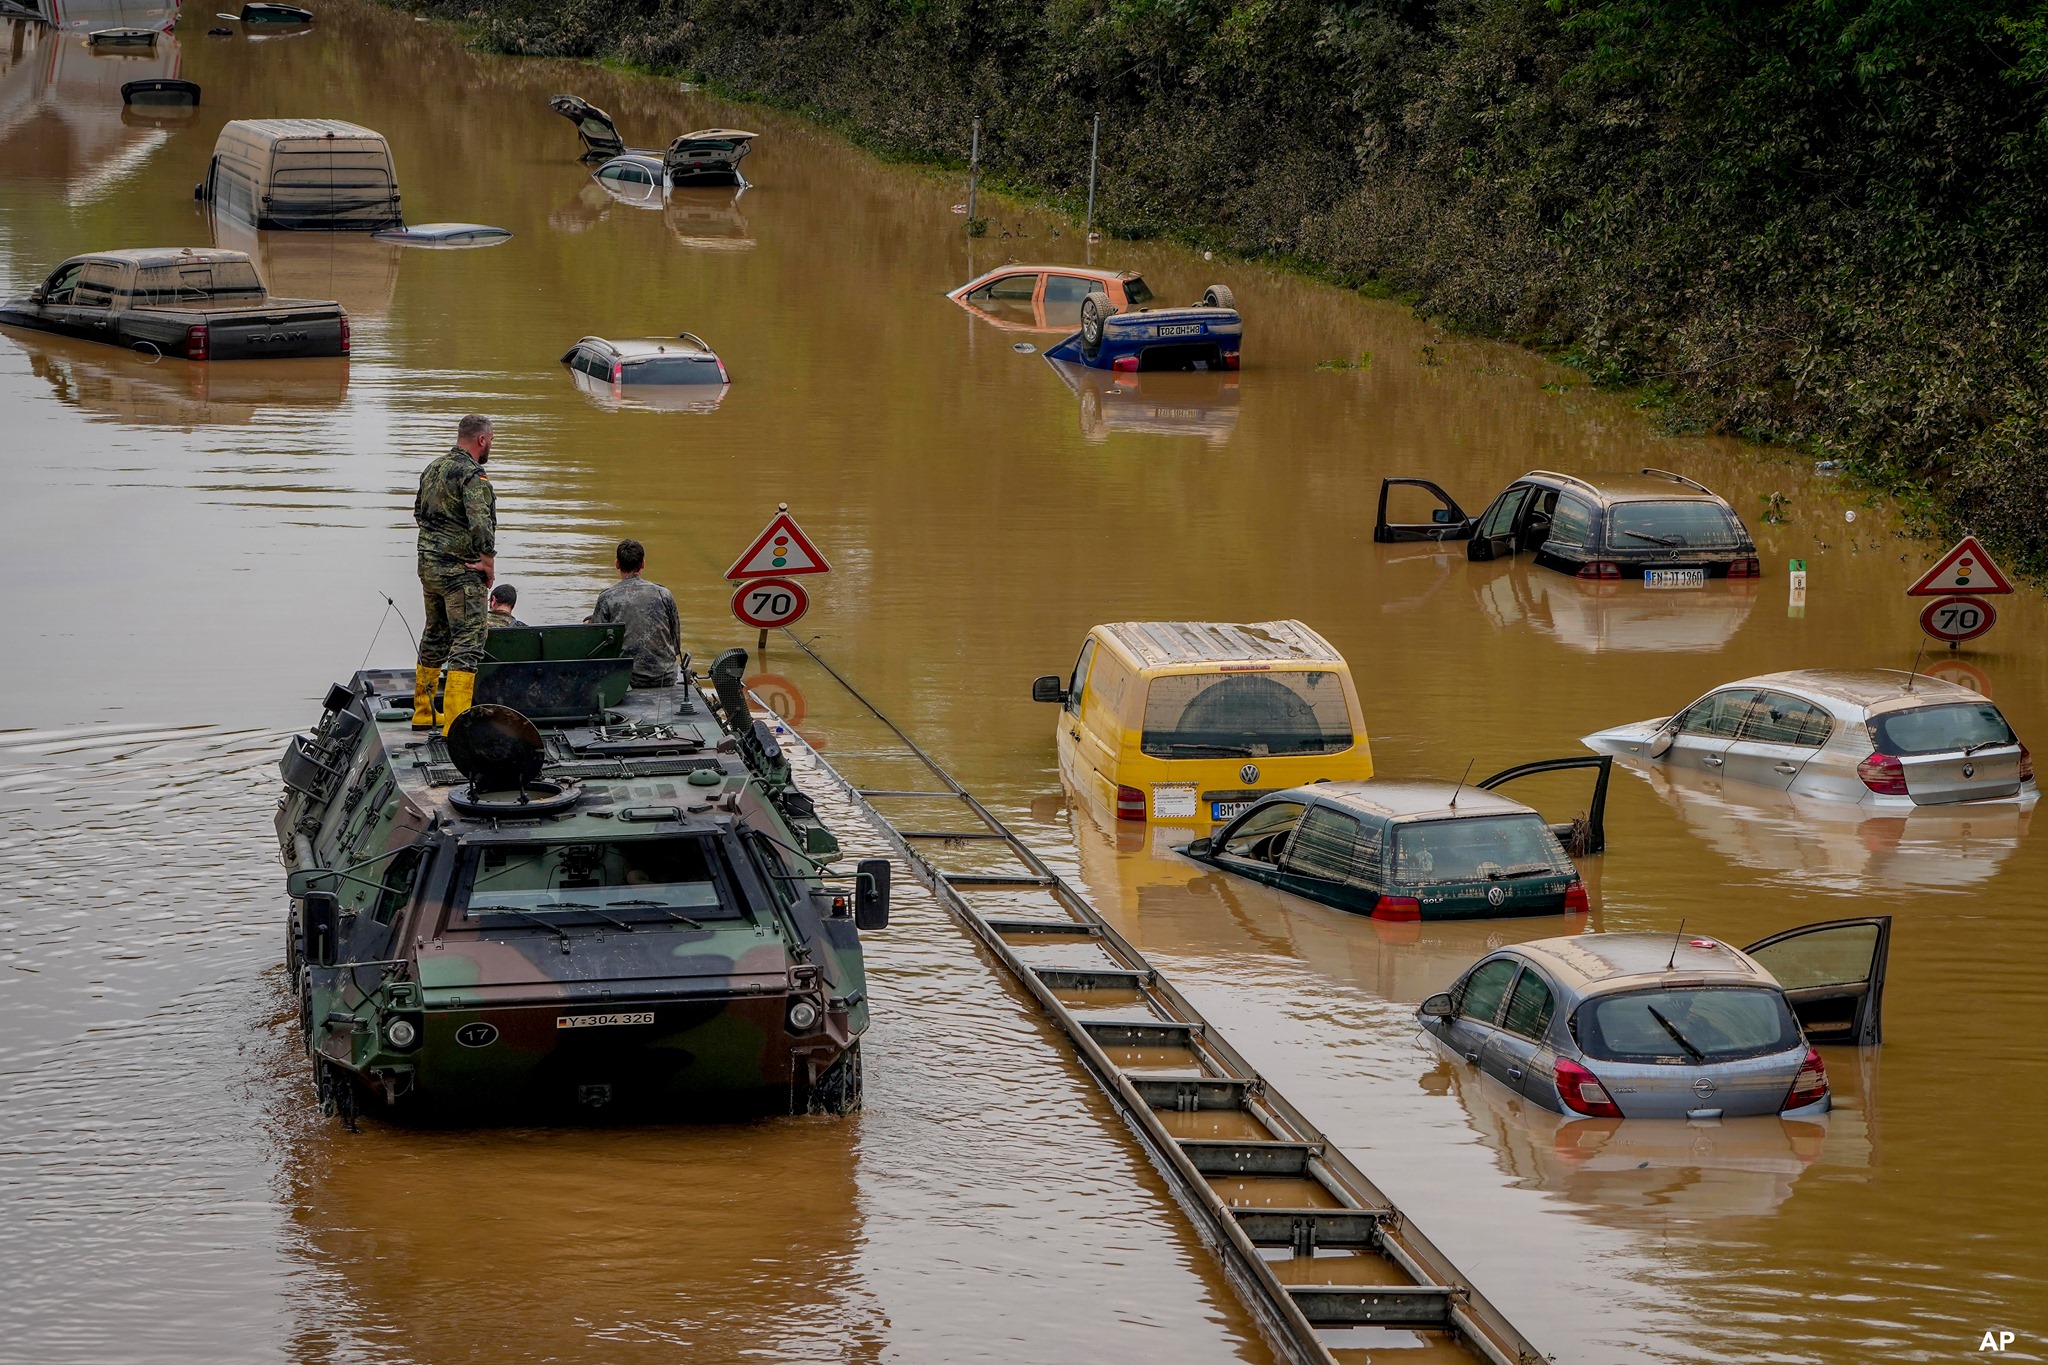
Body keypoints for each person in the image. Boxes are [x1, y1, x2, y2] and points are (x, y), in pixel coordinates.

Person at [412, 415, 496, 730]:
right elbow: (480, 521)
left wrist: (439, 546)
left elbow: (419, 513)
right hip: (460, 571)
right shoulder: (472, 475)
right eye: (491, 441)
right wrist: (487, 561)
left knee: (435, 633)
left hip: (428, 566)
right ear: (482, 440)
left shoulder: (433, 468)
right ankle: (456, 724)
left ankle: (423, 713)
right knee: (469, 640)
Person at [591, 539, 682, 687]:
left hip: (626, 680)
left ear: (617, 564)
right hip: (665, 678)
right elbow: (676, 645)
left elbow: (598, 650)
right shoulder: (664, 594)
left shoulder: (607, 598)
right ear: (643, 564)